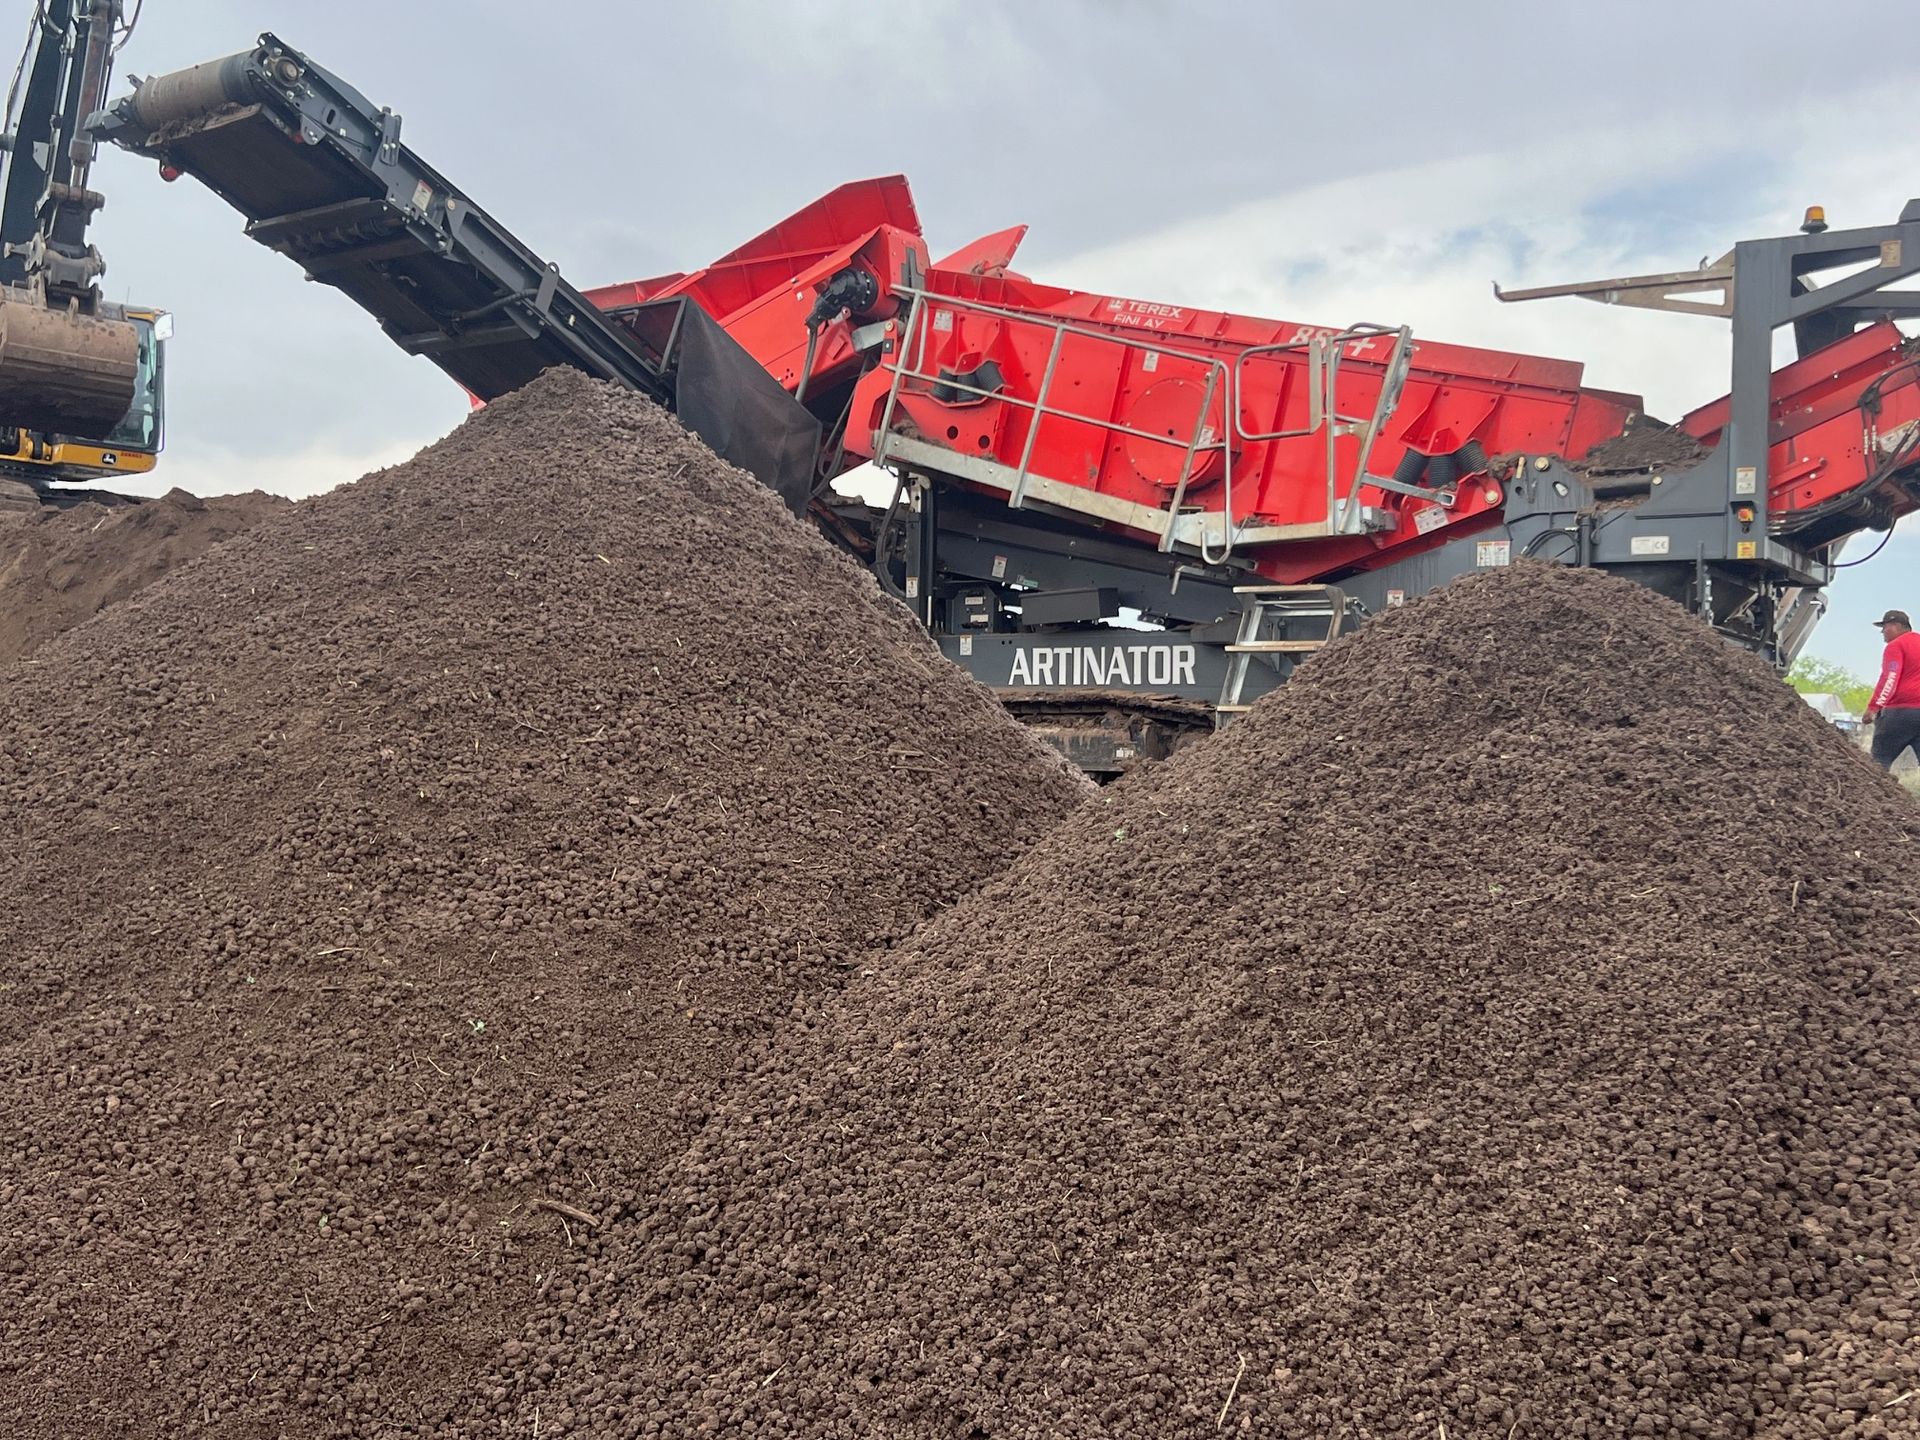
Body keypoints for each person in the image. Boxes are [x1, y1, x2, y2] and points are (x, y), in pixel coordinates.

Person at [1865, 608, 1920, 769]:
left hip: (1901, 713)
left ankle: (1872, 793)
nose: (1883, 632)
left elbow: (1890, 678)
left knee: (1878, 763)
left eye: (1885, 627)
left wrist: (1873, 707)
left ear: (1896, 625)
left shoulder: (1896, 645)